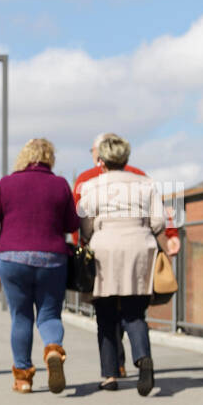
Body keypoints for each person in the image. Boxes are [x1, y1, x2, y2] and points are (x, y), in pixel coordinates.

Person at [0, 138, 79, 394]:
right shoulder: (60, 184)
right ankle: (52, 350)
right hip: (52, 259)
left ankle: (23, 378)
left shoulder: (6, 184)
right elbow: (72, 224)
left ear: (24, 157)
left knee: (21, 317)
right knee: (49, 315)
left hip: (12, 259)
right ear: (50, 158)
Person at [73, 132, 180, 378]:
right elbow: (158, 222)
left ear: (101, 158)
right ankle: (143, 358)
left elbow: (85, 226)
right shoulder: (146, 183)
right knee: (134, 313)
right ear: (126, 157)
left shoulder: (89, 186)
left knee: (106, 314)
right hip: (139, 249)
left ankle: (110, 375)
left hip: (104, 251)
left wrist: (89, 238)